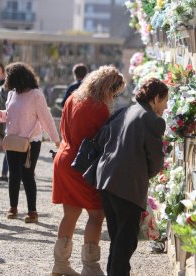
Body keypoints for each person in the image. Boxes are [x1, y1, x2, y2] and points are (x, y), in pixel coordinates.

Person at [51, 65, 125, 276]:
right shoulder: (99, 107)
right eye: (114, 92)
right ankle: (91, 267)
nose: (113, 97)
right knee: (96, 214)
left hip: (65, 158)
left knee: (70, 214)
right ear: (107, 88)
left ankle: (60, 263)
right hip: (84, 165)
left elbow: (64, 129)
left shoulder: (73, 97)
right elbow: (103, 140)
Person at [97, 78, 168, 276]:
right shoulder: (152, 120)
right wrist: (147, 174)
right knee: (126, 241)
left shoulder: (123, 111)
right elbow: (155, 160)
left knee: (118, 239)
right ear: (155, 98)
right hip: (127, 186)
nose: (166, 106)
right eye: (165, 100)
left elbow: (103, 139)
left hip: (106, 180)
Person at [0, 62, 60, 223]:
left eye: (9, 75)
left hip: (30, 143)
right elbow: (10, 115)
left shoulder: (36, 95)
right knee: (13, 176)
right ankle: (13, 207)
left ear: (17, 77)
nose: (6, 79)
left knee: (27, 176)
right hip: (12, 141)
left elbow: (46, 119)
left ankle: (32, 211)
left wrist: (56, 140)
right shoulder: (11, 93)